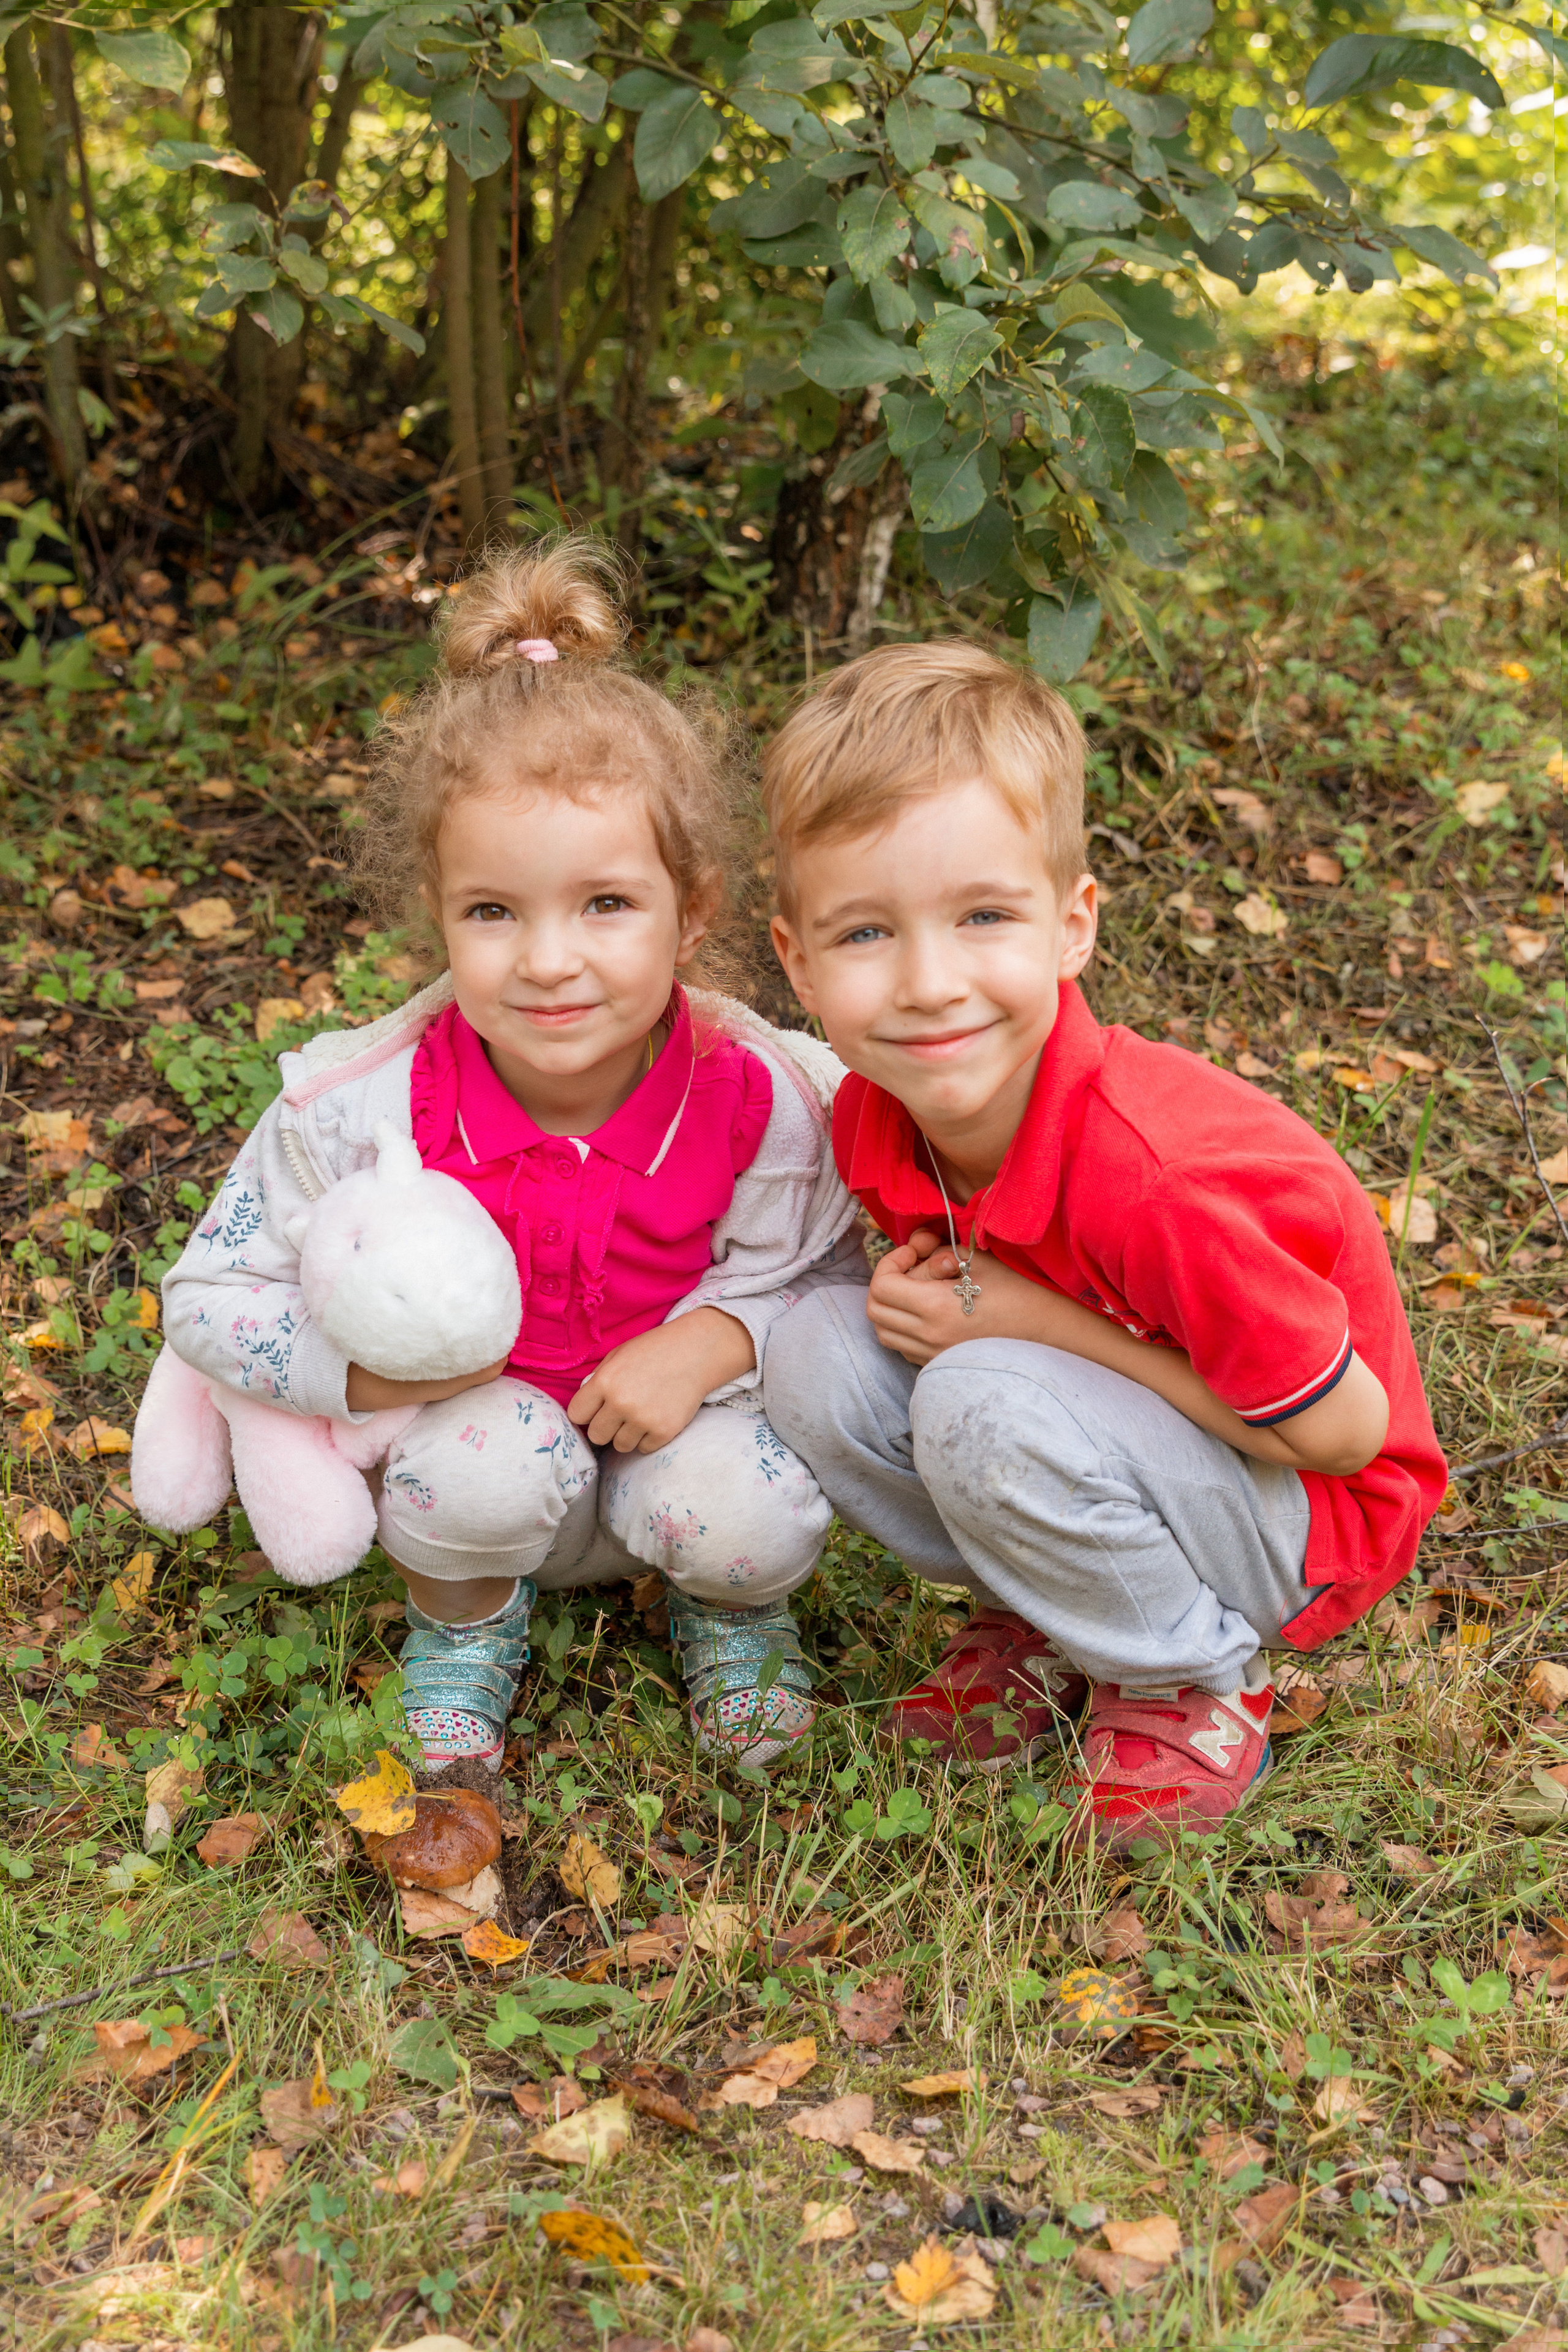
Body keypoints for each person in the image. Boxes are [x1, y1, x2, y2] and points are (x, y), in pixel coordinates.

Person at [160, 539, 863, 1773]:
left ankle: (731, 1607)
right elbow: (205, 1299)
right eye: (493, 911)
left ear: (688, 910)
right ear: (435, 911)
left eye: (604, 904)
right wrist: (364, 1383)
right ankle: (467, 1623)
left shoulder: (759, 1098)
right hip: (472, 1460)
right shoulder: (363, 1110)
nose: (547, 960)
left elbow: (830, 1280)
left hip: (684, 1447)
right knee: (478, 1470)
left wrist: (709, 1342)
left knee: (741, 1511)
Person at [759, 640, 1446, 1847]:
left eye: (982, 917)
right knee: (813, 1347)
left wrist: (1025, 1323)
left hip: (1303, 1515)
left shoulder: (1156, 1180)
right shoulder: (876, 1114)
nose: (928, 983)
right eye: (865, 934)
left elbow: (1340, 1435)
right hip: (1114, 1435)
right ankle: (1050, 1612)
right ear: (797, 961)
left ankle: (1191, 1677)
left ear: (1071, 926)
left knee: (978, 1388)